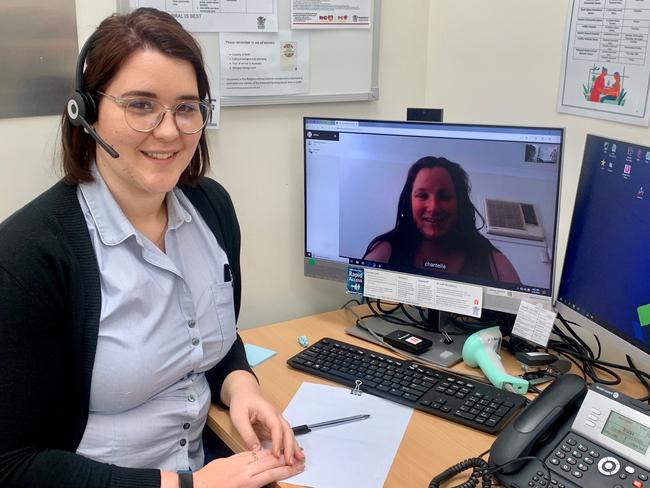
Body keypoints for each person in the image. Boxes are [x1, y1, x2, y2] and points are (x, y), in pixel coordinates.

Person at [0, 8, 305, 488]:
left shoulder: (212, 209)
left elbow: (210, 346)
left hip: (212, 467)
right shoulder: (29, 255)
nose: (169, 131)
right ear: (86, 111)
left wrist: (243, 388)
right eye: (140, 104)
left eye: (187, 107)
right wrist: (192, 486)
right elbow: (13, 464)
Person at [363, 156, 521, 284]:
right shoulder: (385, 251)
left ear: (460, 203)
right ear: (409, 202)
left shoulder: (494, 262)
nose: (433, 207)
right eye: (422, 195)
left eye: (444, 196)